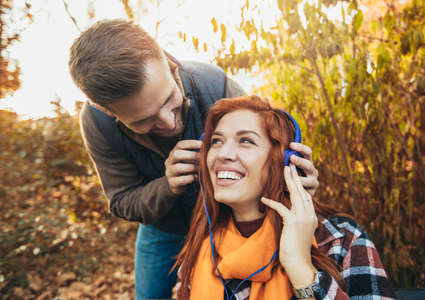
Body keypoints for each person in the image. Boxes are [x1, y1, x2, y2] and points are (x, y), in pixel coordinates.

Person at [68, 20, 320, 299]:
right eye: (144, 121)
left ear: (168, 61)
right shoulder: (98, 125)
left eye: (168, 100)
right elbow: (121, 201)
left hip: (229, 221)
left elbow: (268, 152)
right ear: (107, 111)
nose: (167, 122)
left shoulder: (216, 86)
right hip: (163, 230)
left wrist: (294, 179)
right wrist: (167, 186)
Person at [175, 95, 396, 299]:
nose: (223, 153)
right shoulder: (200, 250)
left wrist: (301, 266)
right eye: (216, 141)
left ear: (286, 160)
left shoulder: (341, 240)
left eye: (246, 141)